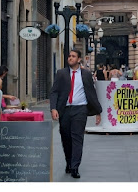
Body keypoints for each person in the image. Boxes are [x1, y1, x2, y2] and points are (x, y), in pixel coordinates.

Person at [50, 49, 102, 179]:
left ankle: (75, 167)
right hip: (65, 110)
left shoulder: (86, 74)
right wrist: (53, 108)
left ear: (79, 59)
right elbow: (54, 92)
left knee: (77, 138)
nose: (70, 58)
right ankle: (69, 162)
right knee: (66, 138)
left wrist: (98, 111)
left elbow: (91, 92)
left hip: (80, 109)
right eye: (69, 56)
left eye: (73, 56)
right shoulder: (61, 73)